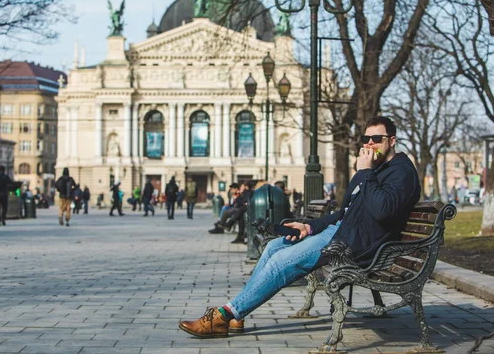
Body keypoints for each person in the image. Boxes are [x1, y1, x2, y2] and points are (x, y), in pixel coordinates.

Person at [179, 116, 421, 338]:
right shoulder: (375, 170)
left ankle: (224, 315)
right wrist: (310, 227)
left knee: (281, 262)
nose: (369, 144)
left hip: (355, 244)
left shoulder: (401, 172)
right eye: (366, 139)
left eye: (376, 139)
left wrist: (365, 172)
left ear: (392, 140)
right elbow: (345, 212)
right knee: (274, 247)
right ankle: (238, 312)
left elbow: (383, 210)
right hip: (341, 233)